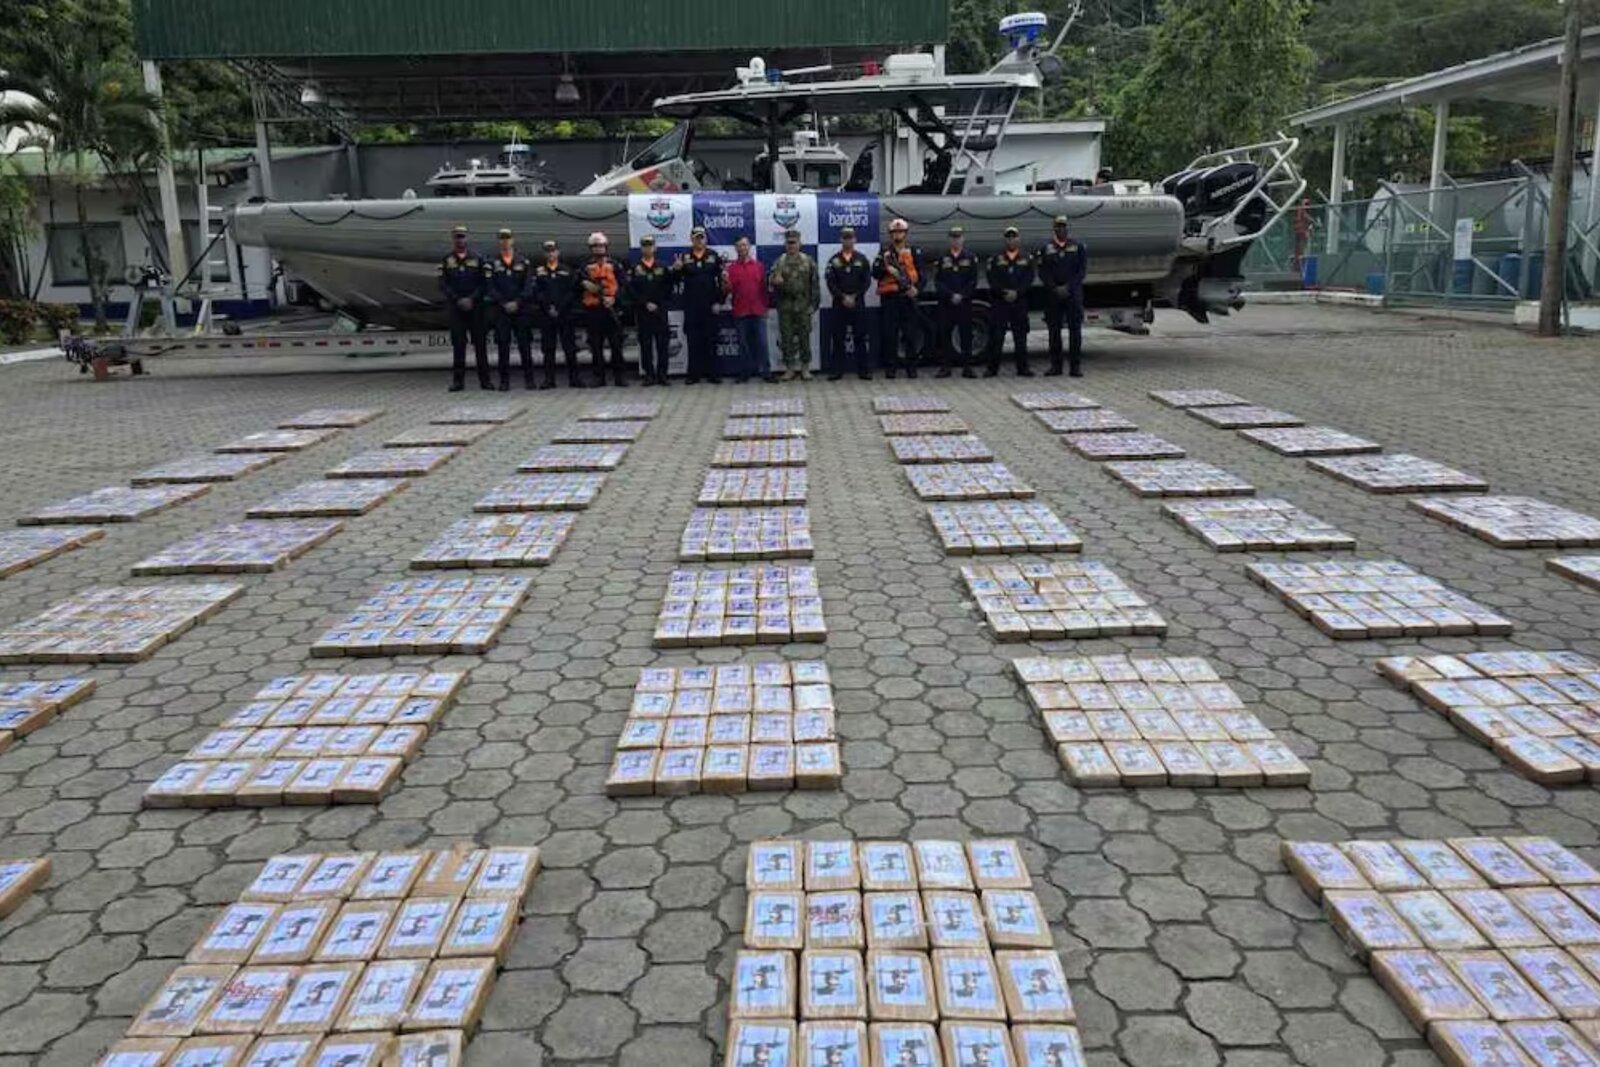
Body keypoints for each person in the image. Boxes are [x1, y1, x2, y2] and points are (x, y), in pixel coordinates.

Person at [672, 226, 726, 384]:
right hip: (691, 307)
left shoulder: (714, 256)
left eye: (702, 237)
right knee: (693, 341)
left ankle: (713, 374)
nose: (699, 240)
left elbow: (722, 282)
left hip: (710, 306)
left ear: (706, 239)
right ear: (691, 239)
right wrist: (676, 270)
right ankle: (693, 375)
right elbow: (675, 282)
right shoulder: (684, 257)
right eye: (696, 237)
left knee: (711, 341)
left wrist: (719, 302)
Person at [1036, 214, 1089, 377]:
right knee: (1054, 332)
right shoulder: (1046, 248)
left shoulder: (1078, 247)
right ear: (1054, 229)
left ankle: (1075, 367)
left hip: (1073, 294)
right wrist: (1054, 287)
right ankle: (1056, 366)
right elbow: (1042, 272)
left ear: (1068, 228)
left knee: (1075, 331)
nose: (1061, 229)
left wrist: (1068, 287)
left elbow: (1081, 271)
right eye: (1058, 226)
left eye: (1063, 226)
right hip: (1053, 295)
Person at [438, 225, 489, 391]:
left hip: (475, 307)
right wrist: (458, 299)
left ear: (467, 238)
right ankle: (458, 382)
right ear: (452, 239)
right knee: (459, 345)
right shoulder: (447, 260)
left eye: (462, 236)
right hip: (456, 308)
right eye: (457, 237)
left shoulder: (478, 258)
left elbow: (484, 283)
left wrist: (471, 299)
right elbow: (443, 284)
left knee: (480, 345)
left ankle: (485, 381)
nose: (460, 240)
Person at [482, 228, 534, 390]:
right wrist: (504, 303)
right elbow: (490, 287)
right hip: (501, 310)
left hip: (520, 310)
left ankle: (529, 380)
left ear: (512, 240)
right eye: (502, 239)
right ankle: (504, 382)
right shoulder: (491, 263)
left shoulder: (523, 262)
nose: (505, 241)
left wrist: (517, 302)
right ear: (498, 241)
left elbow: (528, 286)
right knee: (503, 346)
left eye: (507, 238)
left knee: (525, 346)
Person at [873, 217, 923, 379]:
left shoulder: (914, 251)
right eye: (894, 232)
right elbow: (875, 273)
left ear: (905, 234)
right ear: (890, 235)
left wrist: (916, 289)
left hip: (908, 298)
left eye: (900, 232)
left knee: (910, 334)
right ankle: (891, 369)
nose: (897, 235)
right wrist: (886, 268)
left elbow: (922, 274)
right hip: (891, 299)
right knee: (890, 335)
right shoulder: (884, 253)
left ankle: (911, 368)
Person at [985, 225, 1035, 378]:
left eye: (1014, 237)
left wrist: (1017, 292)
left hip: (1019, 302)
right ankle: (992, 369)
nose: (1011, 240)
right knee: (997, 337)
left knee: (1020, 337)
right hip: (1001, 302)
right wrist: (1003, 292)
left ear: (1018, 239)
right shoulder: (996, 258)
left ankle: (1023, 368)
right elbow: (992, 279)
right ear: (1005, 240)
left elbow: (1029, 278)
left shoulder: (1027, 258)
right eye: (1008, 237)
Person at [768, 228, 819, 381]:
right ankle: (789, 369)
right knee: (786, 338)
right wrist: (774, 281)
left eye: (794, 243)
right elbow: (770, 281)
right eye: (789, 243)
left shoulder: (808, 261)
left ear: (799, 243)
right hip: (785, 306)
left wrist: (813, 305)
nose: (791, 246)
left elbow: (815, 284)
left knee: (804, 338)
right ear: (785, 244)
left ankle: (805, 368)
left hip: (803, 305)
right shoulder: (780, 261)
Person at [532, 239, 581, 390]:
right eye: (548, 251)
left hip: (564, 314)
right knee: (548, 348)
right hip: (546, 314)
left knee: (570, 347)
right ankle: (549, 380)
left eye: (553, 251)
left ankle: (574, 379)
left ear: (558, 253)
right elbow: (537, 292)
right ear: (544, 254)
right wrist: (548, 307)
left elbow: (572, 291)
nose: (550, 254)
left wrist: (560, 308)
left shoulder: (567, 270)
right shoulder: (539, 272)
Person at [824, 226, 872, 381]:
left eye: (850, 238)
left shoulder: (862, 259)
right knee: (838, 338)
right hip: (840, 304)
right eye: (845, 238)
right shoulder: (834, 260)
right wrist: (843, 297)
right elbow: (830, 282)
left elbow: (867, 281)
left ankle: (864, 371)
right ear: (841, 240)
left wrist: (855, 296)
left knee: (860, 337)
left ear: (855, 240)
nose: (848, 241)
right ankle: (836, 371)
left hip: (858, 303)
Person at [580, 231, 626, 388]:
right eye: (594, 246)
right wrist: (584, 284)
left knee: (616, 345)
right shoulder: (584, 267)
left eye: (600, 246)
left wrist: (614, 299)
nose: (598, 249)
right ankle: (599, 377)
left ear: (606, 247)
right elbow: (575, 286)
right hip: (594, 311)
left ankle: (619, 377)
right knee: (596, 346)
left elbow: (624, 285)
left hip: (611, 310)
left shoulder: (615, 265)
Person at [628, 235, 675, 386]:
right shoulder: (635, 268)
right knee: (645, 345)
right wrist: (644, 303)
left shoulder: (663, 266)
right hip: (643, 312)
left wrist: (659, 303)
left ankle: (662, 375)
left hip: (660, 311)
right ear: (641, 249)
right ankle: (649, 375)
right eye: (645, 246)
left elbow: (669, 287)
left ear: (655, 248)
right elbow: (631, 290)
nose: (647, 249)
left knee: (662, 345)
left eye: (650, 246)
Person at [933, 225, 979, 379]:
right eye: (953, 237)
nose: (956, 240)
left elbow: (973, 280)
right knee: (945, 335)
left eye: (958, 237)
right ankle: (945, 367)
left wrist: (962, 295)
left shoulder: (970, 257)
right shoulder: (942, 258)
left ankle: (968, 368)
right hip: (947, 302)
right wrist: (950, 295)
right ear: (949, 239)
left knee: (966, 335)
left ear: (963, 239)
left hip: (964, 302)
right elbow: (938, 281)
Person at [725, 236, 770, 384]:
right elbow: (727, 291)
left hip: (758, 311)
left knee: (762, 343)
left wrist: (766, 307)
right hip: (740, 311)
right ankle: (745, 373)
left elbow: (764, 288)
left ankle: (766, 372)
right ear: (735, 248)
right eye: (739, 246)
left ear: (749, 246)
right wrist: (725, 283)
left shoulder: (759, 266)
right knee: (743, 345)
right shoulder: (731, 269)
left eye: (744, 245)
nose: (742, 248)